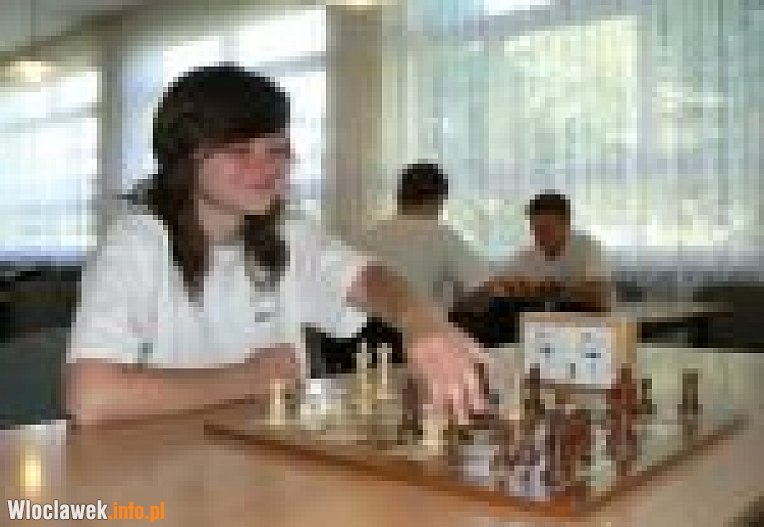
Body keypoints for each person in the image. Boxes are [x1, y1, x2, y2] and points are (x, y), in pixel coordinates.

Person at [66, 64, 486, 426]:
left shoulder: (288, 232)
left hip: (258, 456)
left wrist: (420, 321)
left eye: (277, 150)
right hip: (152, 465)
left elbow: (367, 278)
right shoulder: (135, 244)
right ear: (184, 157)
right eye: (239, 151)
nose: (267, 167)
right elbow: (92, 398)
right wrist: (250, 377)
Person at [361, 162, 488, 309]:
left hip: (368, 322)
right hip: (420, 321)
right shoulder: (440, 236)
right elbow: (483, 285)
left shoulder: (369, 237)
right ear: (438, 199)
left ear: (399, 195)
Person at [483, 191, 613, 312]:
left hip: (589, 323)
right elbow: (492, 286)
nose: (540, 236)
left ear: (566, 224)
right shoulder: (525, 254)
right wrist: (509, 288)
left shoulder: (588, 248)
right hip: (541, 322)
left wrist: (550, 289)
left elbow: (601, 299)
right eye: (535, 229)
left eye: (547, 228)